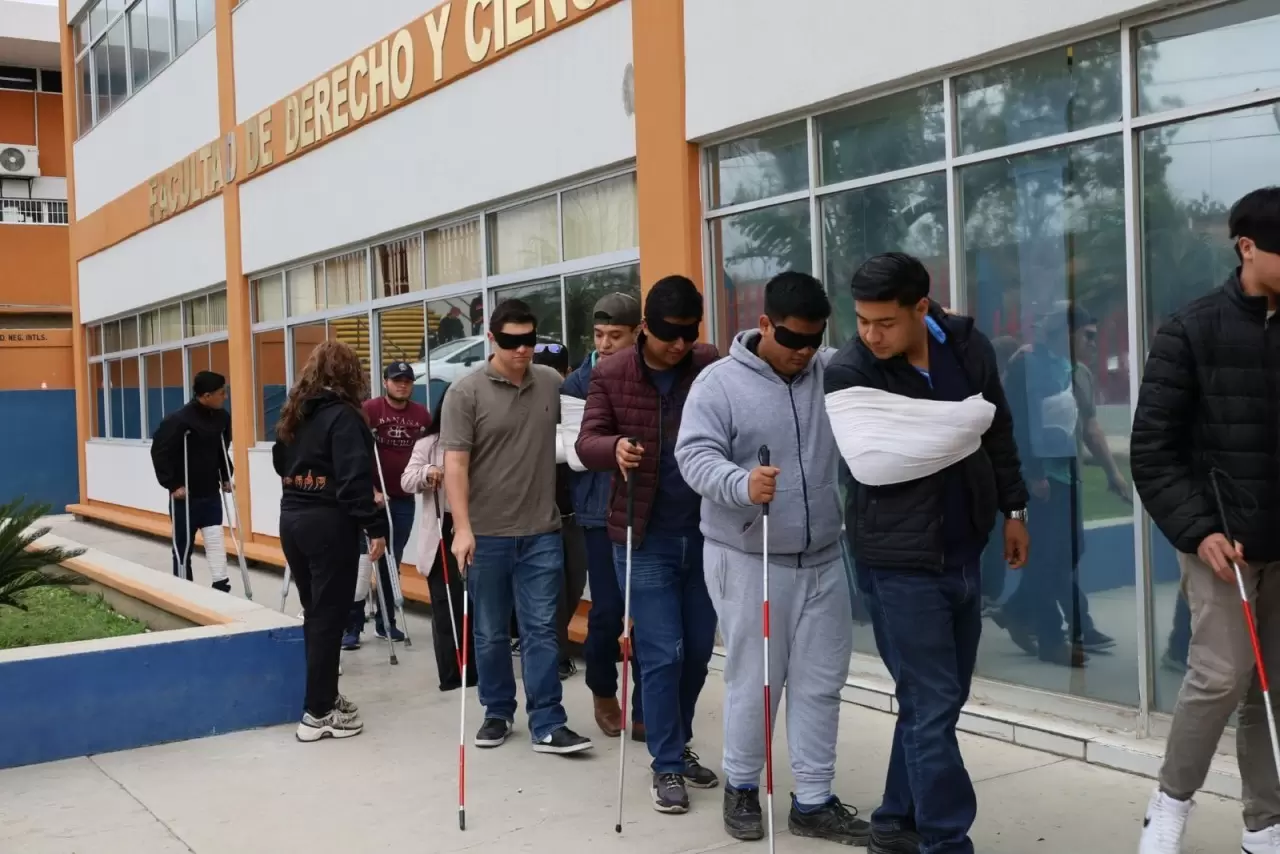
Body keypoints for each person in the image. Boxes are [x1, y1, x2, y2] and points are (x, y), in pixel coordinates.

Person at [824, 253, 1029, 854]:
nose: (869, 334)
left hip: (965, 546)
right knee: (934, 701)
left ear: (922, 307)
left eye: (884, 321)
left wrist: (1013, 510)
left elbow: (994, 429)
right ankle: (946, 841)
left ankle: (894, 820)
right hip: (896, 561)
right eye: (861, 320)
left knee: (933, 700)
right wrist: (955, 426)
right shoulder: (850, 371)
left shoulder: (968, 347)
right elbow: (869, 463)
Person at [676, 272, 867, 844]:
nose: (803, 352)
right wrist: (740, 482)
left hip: (824, 558)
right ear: (764, 325)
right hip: (747, 556)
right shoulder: (719, 384)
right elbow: (693, 454)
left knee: (820, 683)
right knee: (755, 680)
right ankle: (741, 786)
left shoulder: (829, 371)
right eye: (792, 340)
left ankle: (813, 800)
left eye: (813, 341)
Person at [1132, 187, 1280, 854]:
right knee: (1221, 676)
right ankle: (1169, 803)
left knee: (1272, 687)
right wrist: (1198, 530)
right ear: (1247, 248)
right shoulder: (1192, 329)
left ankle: (1266, 821)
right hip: (1225, 543)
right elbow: (1152, 449)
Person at [576, 275, 721, 814]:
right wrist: (614, 447)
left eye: (688, 334)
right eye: (668, 335)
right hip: (643, 538)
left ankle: (676, 744)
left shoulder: (708, 364)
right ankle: (665, 763)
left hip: (708, 536)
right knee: (663, 653)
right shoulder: (612, 372)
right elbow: (586, 442)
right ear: (645, 329)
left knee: (700, 652)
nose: (678, 345)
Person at [441, 299, 592, 755]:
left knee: (543, 629)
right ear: (491, 339)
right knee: (488, 631)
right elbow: (455, 465)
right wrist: (462, 528)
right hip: (486, 535)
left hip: (542, 531)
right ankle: (497, 712)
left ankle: (548, 721)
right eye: (511, 342)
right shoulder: (465, 393)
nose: (522, 350)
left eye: (529, 340)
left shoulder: (550, 382)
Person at [271, 341, 387, 743]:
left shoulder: (295, 413)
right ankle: (318, 711)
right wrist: (375, 525)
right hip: (329, 523)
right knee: (328, 617)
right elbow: (355, 481)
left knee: (316, 613)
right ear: (352, 374)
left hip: (293, 519)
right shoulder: (344, 417)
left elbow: (279, 462)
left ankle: (324, 697)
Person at [998, 304, 1125, 667]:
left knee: (1068, 554)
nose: (1093, 341)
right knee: (1046, 559)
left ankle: (1015, 610)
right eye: (1087, 335)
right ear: (1063, 333)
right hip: (1039, 481)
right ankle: (1051, 637)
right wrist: (1034, 473)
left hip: (1067, 477)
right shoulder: (1026, 365)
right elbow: (1018, 423)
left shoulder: (1074, 371)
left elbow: (1087, 426)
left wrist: (1112, 473)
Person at [562, 292, 646, 740]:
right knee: (608, 610)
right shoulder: (577, 383)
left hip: (650, 510)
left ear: (637, 333)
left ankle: (648, 702)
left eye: (616, 335)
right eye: (599, 335)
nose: (606, 343)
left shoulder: (652, 375)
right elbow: (575, 454)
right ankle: (601, 689)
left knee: (650, 612)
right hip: (598, 510)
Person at [342, 361, 430, 649]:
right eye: (396, 380)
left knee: (391, 560)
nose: (402, 384)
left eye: (407, 380)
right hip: (371, 499)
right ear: (385, 382)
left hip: (403, 499)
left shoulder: (421, 415)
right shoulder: (369, 410)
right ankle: (352, 626)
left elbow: (430, 449)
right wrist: (370, 489)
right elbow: (353, 453)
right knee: (363, 561)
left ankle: (385, 621)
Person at [401, 383, 477, 692]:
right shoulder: (428, 443)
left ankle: (480, 669)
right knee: (447, 605)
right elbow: (407, 479)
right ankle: (452, 673)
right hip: (443, 528)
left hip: (481, 525)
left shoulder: (482, 440)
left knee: (478, 604)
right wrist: (427, 472)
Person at [532, 341, 589, 682]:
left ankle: (552, 645)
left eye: (555, 371)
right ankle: (555, 654)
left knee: (573, 585)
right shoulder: (525, 406)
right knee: (549, 590)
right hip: (537, 519)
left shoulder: (575, 405)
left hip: (574, 517)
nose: (549, 377)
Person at [150, 370, 235, 592]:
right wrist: (172, 484)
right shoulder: (178, 420)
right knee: (183, 546)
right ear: (206, 396)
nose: (224, 397)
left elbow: (221, 451)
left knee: (215, 537)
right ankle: (183, 588)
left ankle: (221, 584)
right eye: (221, 393)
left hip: (210, 492)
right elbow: (160, 453)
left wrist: (226, 477)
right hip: (185, 495)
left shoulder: (222, 419)